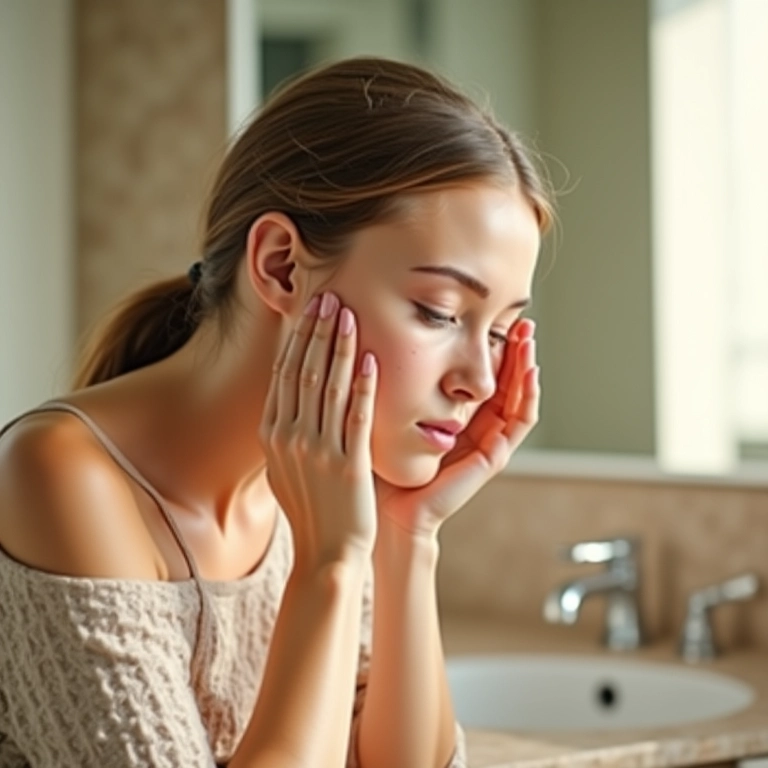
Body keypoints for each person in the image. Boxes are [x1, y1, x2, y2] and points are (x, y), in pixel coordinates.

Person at [0, 55, 553, 767]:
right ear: (281, 266)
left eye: (503, 331)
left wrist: (406, 534)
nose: (480, 378)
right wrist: (330, 561)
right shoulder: (60, 476)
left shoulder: (315, 489)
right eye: (438, 311)